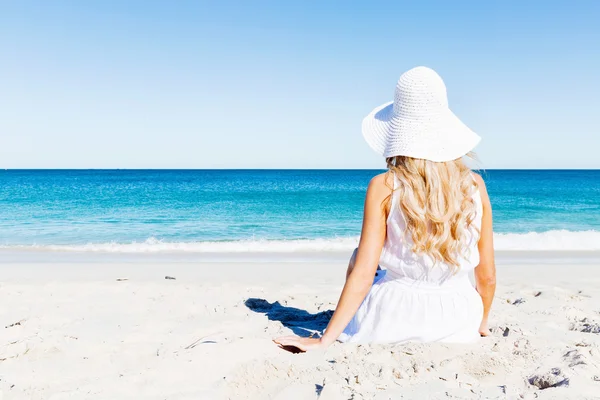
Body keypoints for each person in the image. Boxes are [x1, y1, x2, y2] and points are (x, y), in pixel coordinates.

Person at [274, 66, 496, 351]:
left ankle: (346, 321)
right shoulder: (475, 186)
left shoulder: (385, 185)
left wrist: (324, 339)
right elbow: (487, 275)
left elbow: (364, 273)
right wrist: (481, 323)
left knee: (358, 257)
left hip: (393, 317)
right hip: (458, 317)